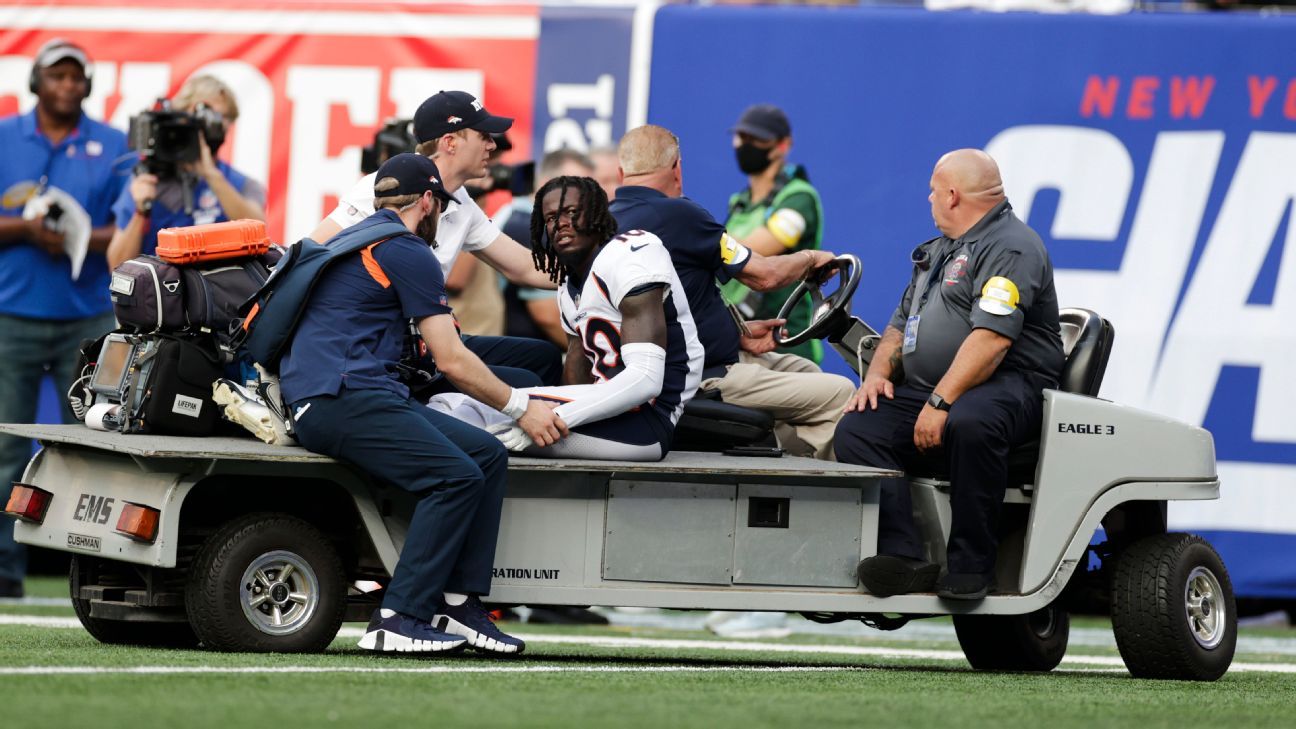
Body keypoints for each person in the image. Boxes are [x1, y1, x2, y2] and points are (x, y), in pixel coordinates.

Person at [282, 153, 565, 654]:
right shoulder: (407, 250)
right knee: (453, 477)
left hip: (340, 394)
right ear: (430, 202)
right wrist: (523, 407)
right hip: (342, 398)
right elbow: (452, 360)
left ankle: (456, 603)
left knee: (485, 455)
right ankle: (400, 616)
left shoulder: (361, 234)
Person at [836, 149, 1064, 601]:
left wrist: (939, 403)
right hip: (937, 386)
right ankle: (903, 556)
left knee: (972, 421)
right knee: (859, 428)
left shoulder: (1011, 246)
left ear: (954, 196)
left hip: (1010, 383)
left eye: (934, 191)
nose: (929, 199)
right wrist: (878, 375)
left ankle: (971, 566)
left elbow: (992, 340)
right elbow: (899, 326)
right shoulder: (941, 251)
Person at [610, 124, 855, 461]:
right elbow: (765, 276)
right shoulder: (681, 215)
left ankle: (794, 479)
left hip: (705, 358)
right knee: (839, 392)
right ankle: (847, 504)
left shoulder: (608, 222)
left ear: (621, 173)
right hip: (700, 376)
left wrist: (734, 333)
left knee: (806, 372)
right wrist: (812, 258)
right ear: (677, 169)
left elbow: (682, 295)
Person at [309, 90, 562, 390]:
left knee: (543, 356)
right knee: (524, 383)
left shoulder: (464, 201)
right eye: (484, 135)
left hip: (423, 341)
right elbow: (311, 254)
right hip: (374, 350)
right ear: (450, 142)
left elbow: (523, 266)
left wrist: (595, 270)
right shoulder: (381, 188)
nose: (493, 146)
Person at [0, 39, 131, 599]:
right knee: (6, 446)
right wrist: (27, 230)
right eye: (57, 75)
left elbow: (130, 225)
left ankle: (93, 570)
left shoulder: (114, 144)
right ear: (36, 81)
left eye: (79, 77)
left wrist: (77, 234)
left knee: (92, 442)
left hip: (88, 315)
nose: (69, 86)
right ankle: (6, 571)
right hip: (12, 313)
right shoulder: (6, 136)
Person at [106, 75, 266, 268]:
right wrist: (141, 212)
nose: (209, 125)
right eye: (202, 114)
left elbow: (259, 234)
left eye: (219, 117)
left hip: (219, 295)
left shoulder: (240, 184)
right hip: (159, 293)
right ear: (181, 116)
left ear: (229, 124)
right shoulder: (148, 180)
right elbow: (117, 265)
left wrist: (211, 175)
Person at [723, 104, 826, 364]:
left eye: (757, 139)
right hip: (745, 336)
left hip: (789, 340)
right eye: (742, 137)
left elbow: (753, 253)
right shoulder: (739, 202)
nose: (746, 145)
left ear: (783, 145)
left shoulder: (798, 197)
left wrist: (699, 243)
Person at [497, 149, 596, 347]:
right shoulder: (534, 229)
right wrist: (593, 355)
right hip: (524, 354)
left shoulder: (513, 212)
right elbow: (547, 314)